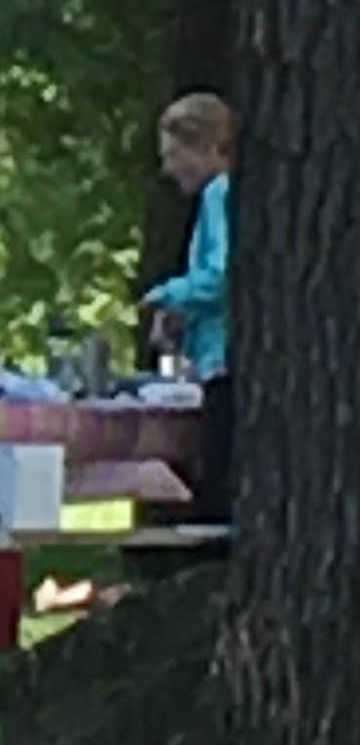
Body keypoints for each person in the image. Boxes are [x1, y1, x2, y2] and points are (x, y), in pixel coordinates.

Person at [145, 90, 235, 522]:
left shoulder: (219, 194)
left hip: (223, 352)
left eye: (176, 155)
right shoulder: (216, 196)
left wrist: (168, 295)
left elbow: (221, 274)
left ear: (209, 148)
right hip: (212, 348)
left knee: (218, 453)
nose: (168, 168)